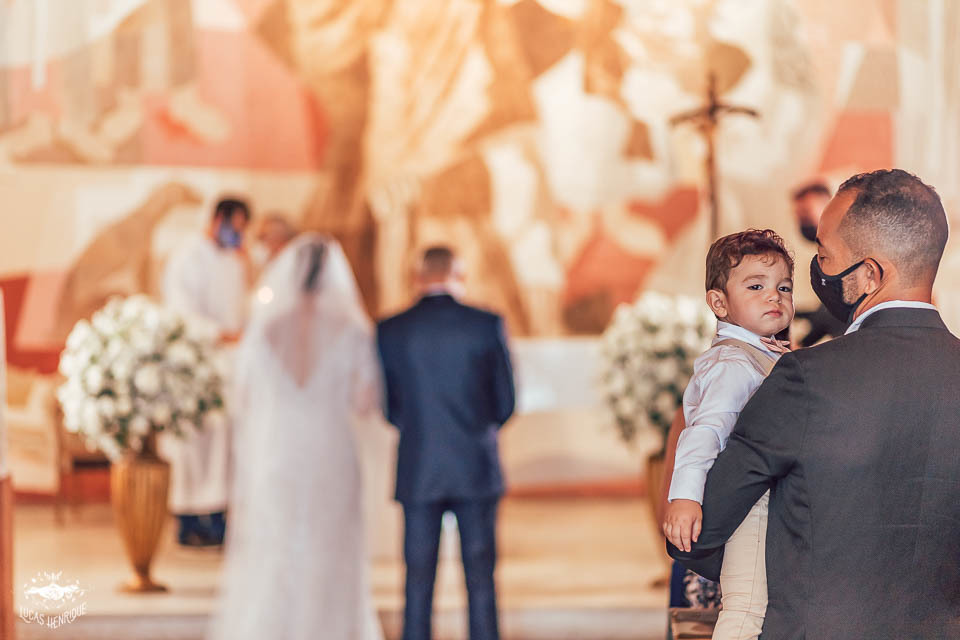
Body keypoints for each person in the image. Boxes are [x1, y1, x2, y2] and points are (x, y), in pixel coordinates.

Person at [669, 169, 960, 639]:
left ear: (869, 274)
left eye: (823, 255)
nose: (817, 270)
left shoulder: (804, 377)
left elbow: (703, 530)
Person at [208, 234, 383, 640]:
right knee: (331, 546)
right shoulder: (352, 328)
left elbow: (242, 396)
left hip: (278, 452)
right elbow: (364, 402)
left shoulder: (265, 327)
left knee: (276, 547)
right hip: (330, 452)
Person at [376, 246, 516, 640]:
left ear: (418, 277)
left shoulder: (392, 329)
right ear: (459, 275)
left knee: (417, 581)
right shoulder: (486, 324)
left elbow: (390, 407)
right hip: (475, 466)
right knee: (481, 579)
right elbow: (506, 403)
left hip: (420, 467)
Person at [663, 229, 795, 640]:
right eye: (756, 286)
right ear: (719, 303)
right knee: (746, 608)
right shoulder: (734, 364)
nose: (774, 296)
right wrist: (684, 497)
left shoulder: (767, 354)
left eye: (784, 287)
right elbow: (705, 431)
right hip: (749, 507)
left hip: (766, 500)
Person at [161, 197, 251, 546]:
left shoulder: (233, 260)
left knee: (223, 443)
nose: (237, 235)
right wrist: (220, 334)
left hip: (228, 365)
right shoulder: (187, 257)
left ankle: (215, 515)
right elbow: (182, 311)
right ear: (216, 220)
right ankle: (188, 520)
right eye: (233, 227)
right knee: (194, 445)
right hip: (194, 362)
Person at [791, 182, 848, 346]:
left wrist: (803, 343)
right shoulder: (827, 253)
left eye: (806, 213)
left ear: (827, 206)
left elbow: (841, 304)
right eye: (799, 215)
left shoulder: (845, 247)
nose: (802, 221)